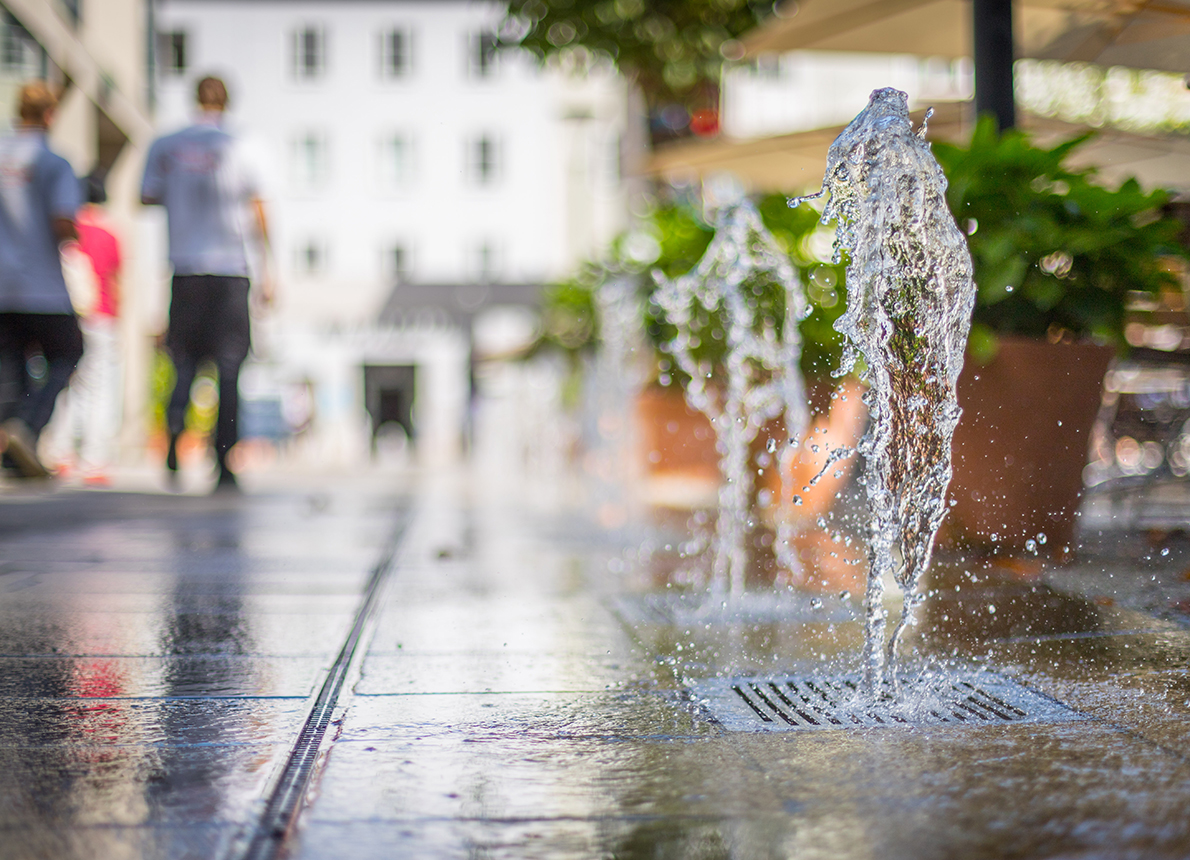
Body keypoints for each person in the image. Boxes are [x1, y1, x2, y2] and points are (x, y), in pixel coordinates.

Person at [141, 75, 274, 490]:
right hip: (231, 269)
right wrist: (270, 268)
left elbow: (146, 195)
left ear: (194, 99)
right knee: (230, 368)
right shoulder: (244, 143)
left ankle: (173, 446)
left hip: (185, 268)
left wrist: (184, 191)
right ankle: (224, 462)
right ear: (227, 102)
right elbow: (258, 210)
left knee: (183, 362)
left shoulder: (167, 144)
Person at [0, 81, 84, 479]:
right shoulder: (54, 162)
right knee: (69, 353)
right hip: (43, 286)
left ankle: (10, 450)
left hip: (2, 285)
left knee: (10, 367)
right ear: (50, 115)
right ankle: (28, 428)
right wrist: (76, 235)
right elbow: (62, 222)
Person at [61, 172, 122, 485]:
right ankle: (94, 460)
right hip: (101, 317)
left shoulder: (70, 231)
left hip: (70, 315)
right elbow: (114, 280)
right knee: (100, 388)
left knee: (70, 384)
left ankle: (59, 453)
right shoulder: (108, 234)